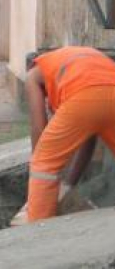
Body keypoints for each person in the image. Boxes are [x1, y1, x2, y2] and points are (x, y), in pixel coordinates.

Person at [24, 46, 115, 221]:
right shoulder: (72, 60)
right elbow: (90, 137)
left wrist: (36, 176)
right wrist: (68, 184)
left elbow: (38, 128)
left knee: (44, 163)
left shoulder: (34, 73)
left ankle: (37, 227)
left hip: (84, 94)